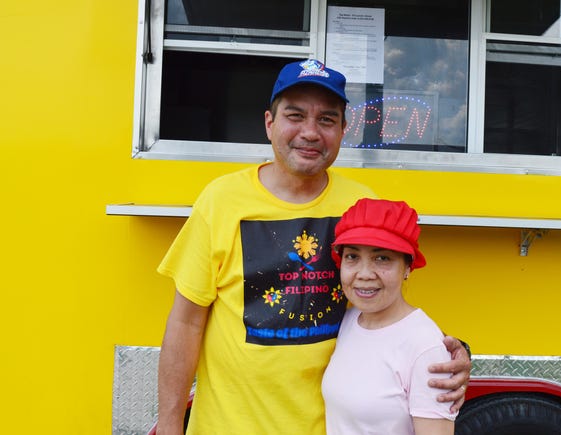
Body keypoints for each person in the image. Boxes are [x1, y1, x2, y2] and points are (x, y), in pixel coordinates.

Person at [156, 58, 471, 435]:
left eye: (326, 119)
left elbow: (380, 307)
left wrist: (445, 353)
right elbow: (186, 322)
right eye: (295, 115)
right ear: (269, 123)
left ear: (342, 130)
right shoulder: (221, 200)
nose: (310, 132)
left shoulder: (360, 205)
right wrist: (171, 424)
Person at [323, 198, 457, 434]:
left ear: (407, 267)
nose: (364, 274)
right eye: (352, 257)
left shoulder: (425, 347)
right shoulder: (350, 319)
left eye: (382, 258)